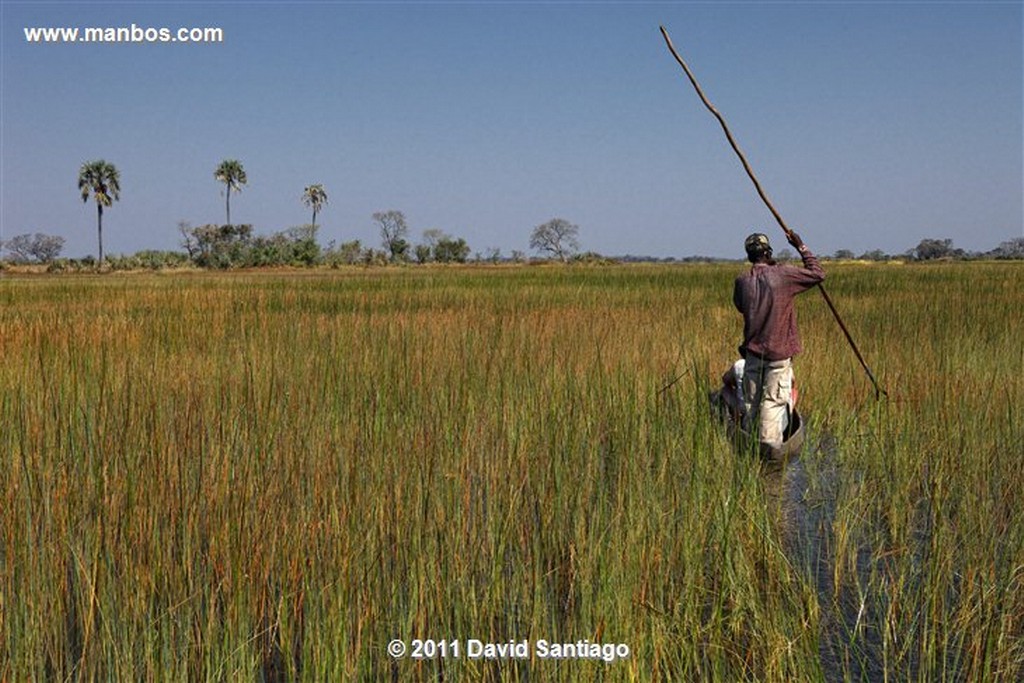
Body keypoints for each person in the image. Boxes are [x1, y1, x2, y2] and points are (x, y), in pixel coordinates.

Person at [733, 231, 824, 448]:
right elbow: (818, 273)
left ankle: (749, 447)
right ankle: (770, 454)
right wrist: (800, 245)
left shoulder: (742, 280)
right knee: (772, 405)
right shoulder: (784, 275)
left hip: (753, 353)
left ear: (749, 256)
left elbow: (739, 306)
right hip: (778, 355)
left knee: (751, 405)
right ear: (768, 252)